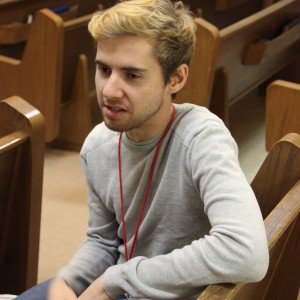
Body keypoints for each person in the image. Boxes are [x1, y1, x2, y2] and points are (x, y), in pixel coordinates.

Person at [16, 0, 269, 299]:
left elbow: (246, 252)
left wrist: (116, 279)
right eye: (103, 69)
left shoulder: (202, 137)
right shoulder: (97, 146)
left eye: (132, 75)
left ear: (176, 78)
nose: (109, 90)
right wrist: (69, 281)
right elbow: (103, 241)